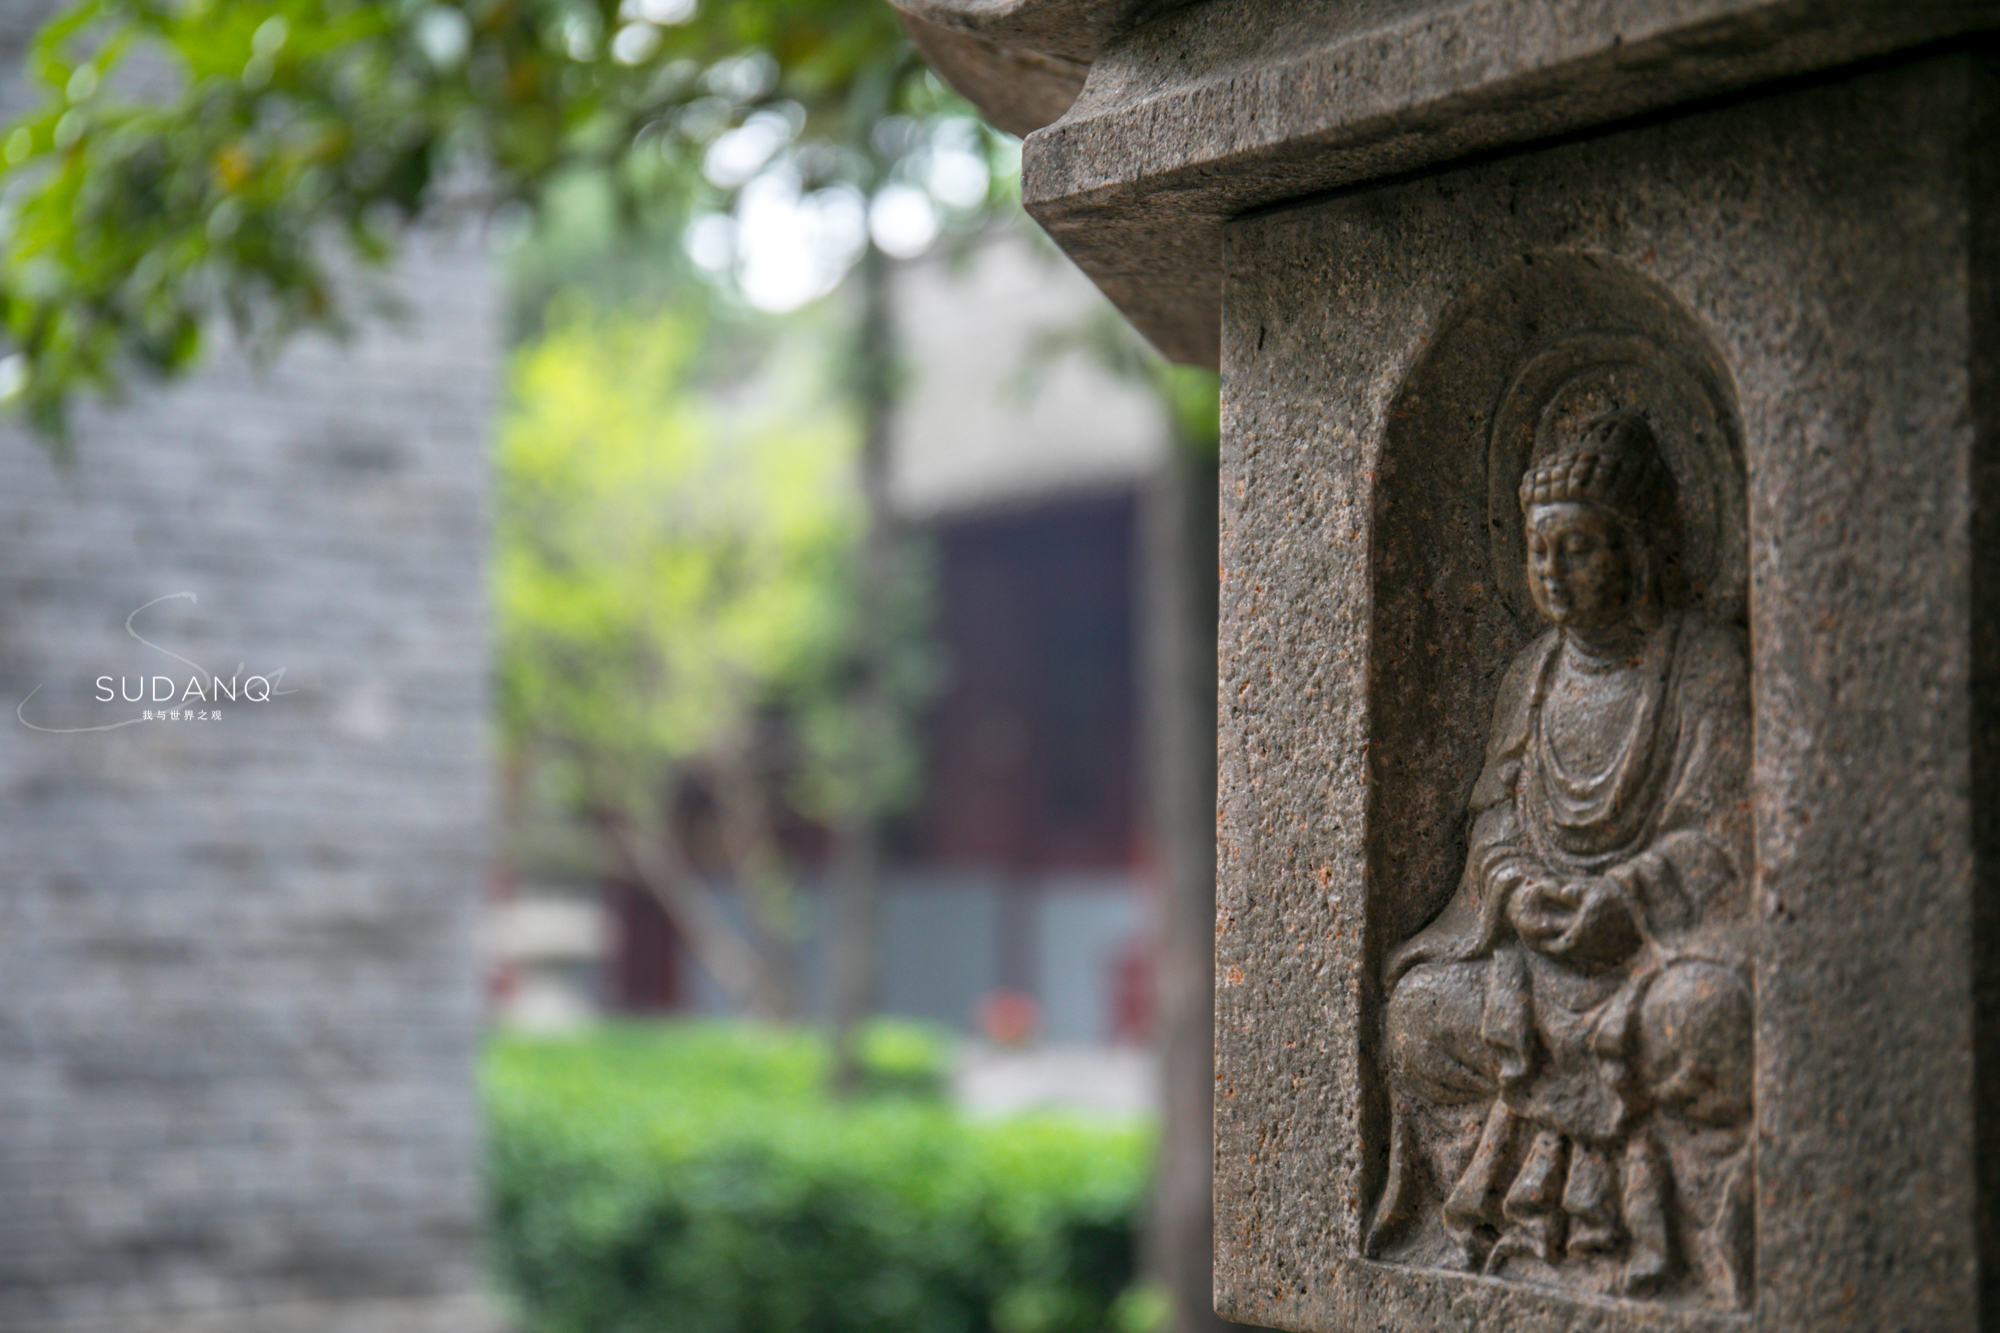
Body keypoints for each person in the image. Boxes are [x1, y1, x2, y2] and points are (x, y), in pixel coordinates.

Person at [1367, 410, 1753, 1304]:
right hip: (1529, 964)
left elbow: (1725, 837)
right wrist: (1513, 888)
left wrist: (1628, 897)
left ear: (1636, 550)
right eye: (1541, 550)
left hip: (1646, 967)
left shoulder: (1701, 670)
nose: (1553, 571)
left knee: (1713, 1022)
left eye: (1578, 549)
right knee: (1417, 1014)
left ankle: (1671, 1229)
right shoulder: (1530, 676)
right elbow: (1495, 819)